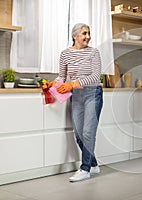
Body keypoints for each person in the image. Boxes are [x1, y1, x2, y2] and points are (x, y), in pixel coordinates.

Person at [44, 23, 103, 182]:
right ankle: (94, 164)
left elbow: (95, 77)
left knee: (88, 132)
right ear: (75, 36)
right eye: (84, 33)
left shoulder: (94, 53)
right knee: (78, 133)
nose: (88, 36)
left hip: (93, 93)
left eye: (89, 33)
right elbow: (61, 77)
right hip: (76, 95)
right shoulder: (65, 54)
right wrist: (51, 84)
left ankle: (85, 169)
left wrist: (72, 84)